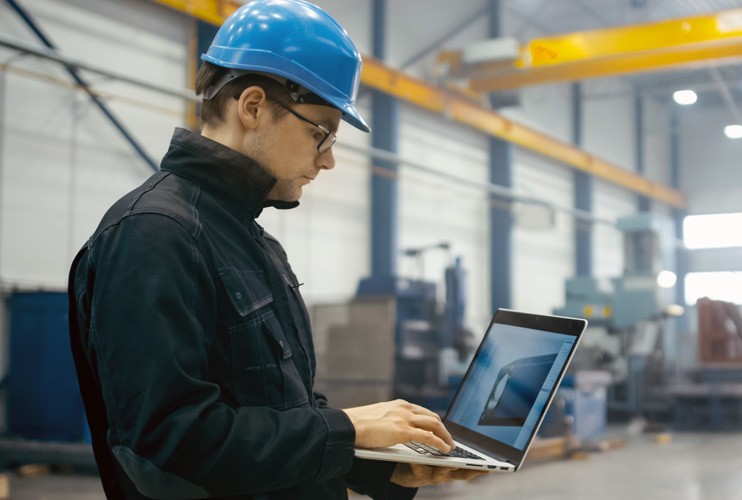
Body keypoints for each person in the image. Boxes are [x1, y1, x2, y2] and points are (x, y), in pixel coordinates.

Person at [68, 0, 485, 498]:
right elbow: (171, 440)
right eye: (321, 133)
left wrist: (383, 465)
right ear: (253, 107)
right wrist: (347, 429)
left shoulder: (253, 241)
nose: (328, 160)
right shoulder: (154, 234)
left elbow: (281, 412)